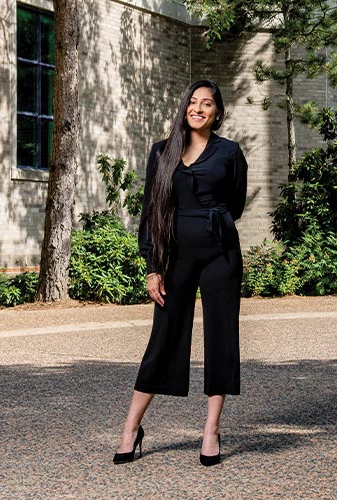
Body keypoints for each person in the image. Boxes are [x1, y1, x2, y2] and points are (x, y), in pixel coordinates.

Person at [113, 80, 248, 467]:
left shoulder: (230, 153)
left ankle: (211, 431)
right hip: (175, 256)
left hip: (221, 253)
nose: (199, 109)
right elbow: (152, 212)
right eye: (193, 102)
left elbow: (234, 204)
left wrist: (211, 222)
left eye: (207, 104)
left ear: (217, 113)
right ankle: (131, 428)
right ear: (184, 107)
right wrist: (153, 266)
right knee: (165, 337)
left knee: (221, 337)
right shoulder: (163, 152)